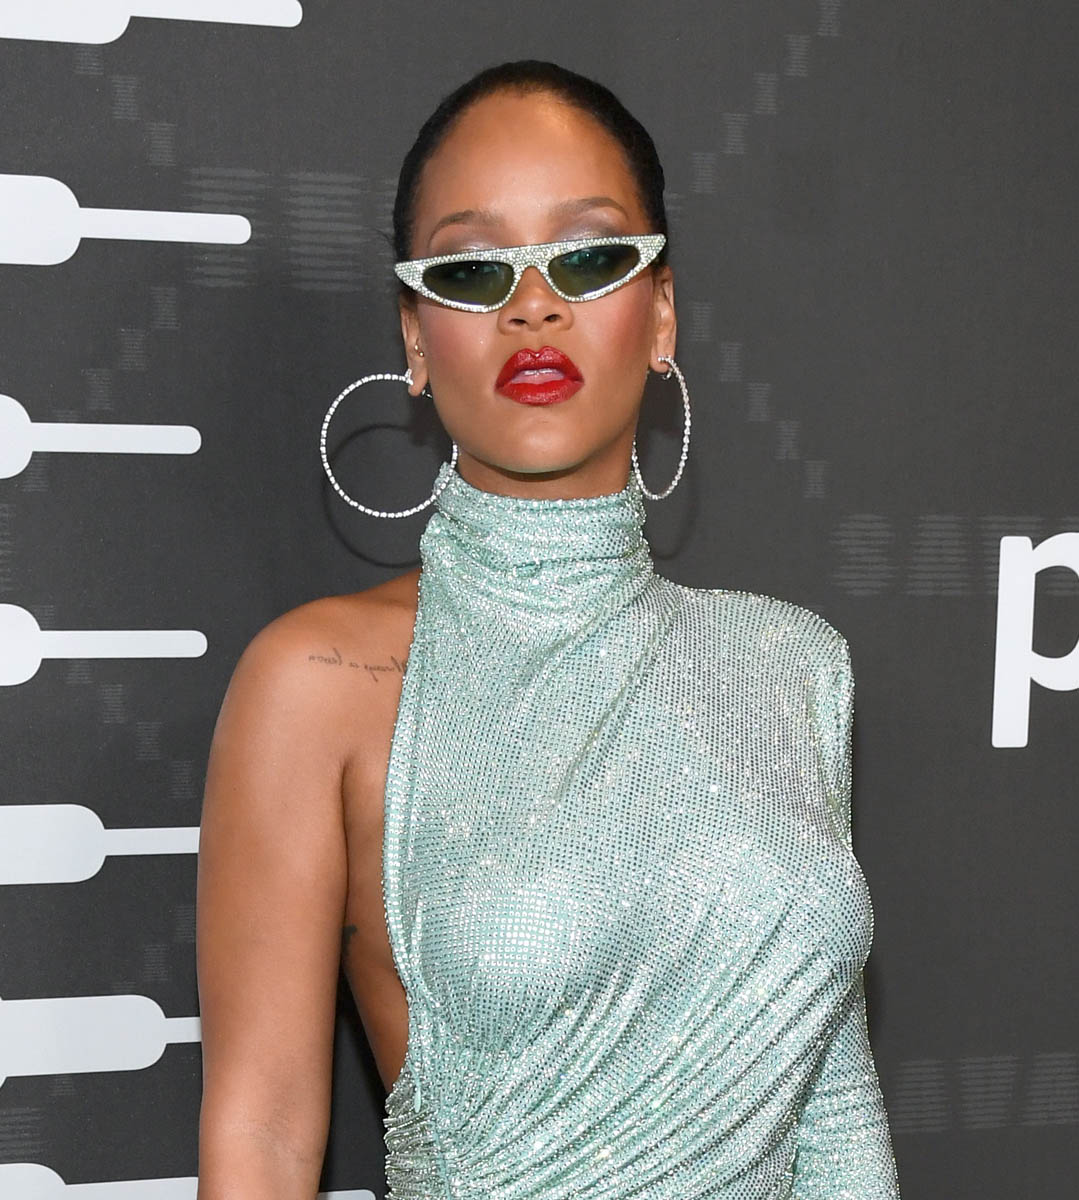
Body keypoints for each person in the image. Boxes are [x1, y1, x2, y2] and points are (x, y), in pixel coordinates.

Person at [196, 59, 902, 1200]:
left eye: (586, 256)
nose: (533, 305)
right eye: (472, 270)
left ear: (660, 310)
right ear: (414, 336)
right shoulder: (318, 682)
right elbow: (263, 1138)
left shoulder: (791, 664)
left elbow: (835, 1113)